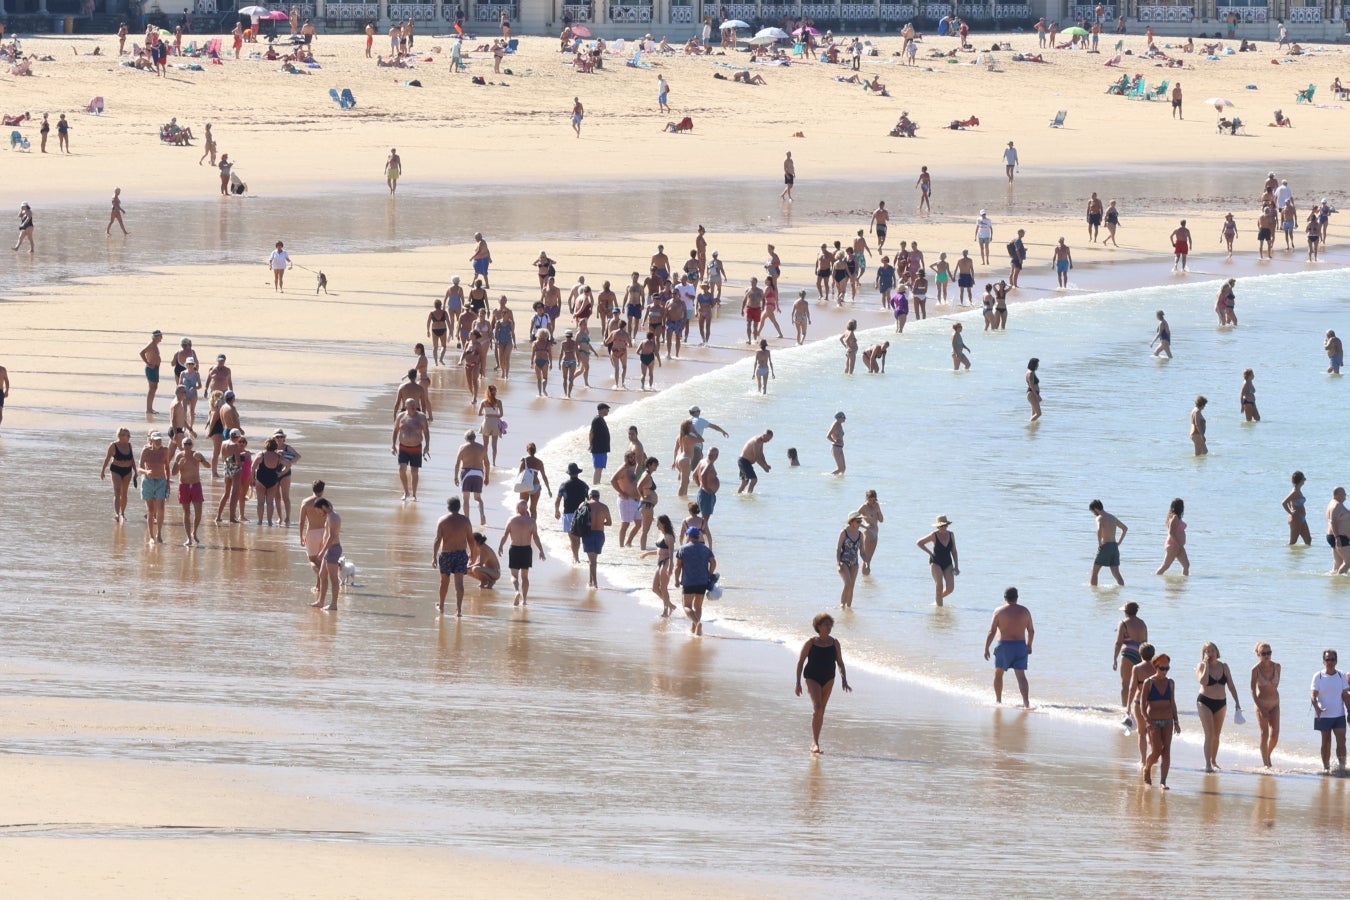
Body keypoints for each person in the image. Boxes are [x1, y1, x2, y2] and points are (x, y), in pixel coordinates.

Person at [795, 612, 852, 755]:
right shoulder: (811, 642)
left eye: (830, 624)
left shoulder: (834, 643)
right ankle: (814, 743)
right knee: (817, 707)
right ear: (818, 626)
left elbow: (840, 662)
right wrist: (798, 683)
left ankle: (816, 742)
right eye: (826, 624)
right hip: (812, 677)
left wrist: (844, 679)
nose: (829, 627)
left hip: (829, 678)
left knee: (822, 710)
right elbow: (801, 662)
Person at [984, 586, 1033, 707]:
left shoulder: (999, 611)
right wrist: (1029, 645)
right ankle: (1026, 703)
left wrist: (986, 648)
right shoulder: (1025, 611)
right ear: (1017, 597)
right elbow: (1031, 631)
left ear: (1005, 597)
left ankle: (999, 701)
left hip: (1004, 646)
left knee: (998, 674)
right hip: (1020, 646)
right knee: (1021, 676)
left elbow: (992, 631)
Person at [1196, 642, 1241, 773]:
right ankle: (1207, 764)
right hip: (1204, 702)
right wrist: (1206, 666)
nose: (1210, 653)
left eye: (1212, 650)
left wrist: (1237, 702)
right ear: (1204, 654)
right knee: (1209, 733)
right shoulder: (1201, 666)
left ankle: (1213, 761)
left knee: (1216, 735)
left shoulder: (1224, 666)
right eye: (1207, 651)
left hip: (1221, 703)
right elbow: (1203, 681)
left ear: (1217, 652)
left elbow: (1231, 685)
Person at [1140, 653, 1180, 788]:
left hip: (1168, 720)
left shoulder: (1171, 683)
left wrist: (1176, 722)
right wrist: (1147, 721)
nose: (1165, 671)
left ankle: (1163, 782)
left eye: (1167, 668)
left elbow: (1172, 703)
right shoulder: (1149, 682)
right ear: (1156, 667)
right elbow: (1142, 704)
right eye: (1162, 668)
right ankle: (1147, 767)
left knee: (1167, 751)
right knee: (1156, 750)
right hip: (1154, 721)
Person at [499, 499, 545, 606]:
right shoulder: (532, 521)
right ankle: (524, 600)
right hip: (526, 550)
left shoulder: (511, 520)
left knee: (514, 576)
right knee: (525, 577)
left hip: (514, 549)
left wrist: (501, 546)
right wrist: (541, 550)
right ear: (526, 509)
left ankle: (516, 591)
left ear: (518, 509)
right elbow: (536, 537)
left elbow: (505, 534)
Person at [433, 497, 474, 616]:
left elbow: (437, 540)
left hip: (446, 554)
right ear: (459, 507)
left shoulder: (442, 520)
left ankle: (441, 606)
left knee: (444, 582)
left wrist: (434, 556)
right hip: (461, 554)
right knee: (459, 583)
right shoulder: (465, 521)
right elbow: (471, 540)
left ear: (448, 507)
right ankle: (459, 610)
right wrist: (473, 555)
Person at [1312, 649, 1350, 773]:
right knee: (1326, 741)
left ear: (1336, 661)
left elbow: (1345, 695)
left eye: (1333, 659)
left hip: (1339, 715)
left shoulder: (1341, 675)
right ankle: (1326, 768)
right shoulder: (1318, 676)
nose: (1330, 662)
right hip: (1323, 715)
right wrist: (1317, 707)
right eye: (1328, 659)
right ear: (1324, 661)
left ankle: (1342, 767)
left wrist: (1349, 710)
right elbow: (1313, 695)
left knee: (1342, 741)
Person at [674, 525, 716, 635]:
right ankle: (694, 628)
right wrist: (710, 574)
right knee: (698, 606)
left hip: (689, 581)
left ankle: (697, 623)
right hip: (702, 581)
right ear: (698, 536)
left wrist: (676, 580)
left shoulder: (683, 549)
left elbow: (678, 566)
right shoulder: (705, 549)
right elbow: (713, 562)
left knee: (686, 606)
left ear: (688, 536)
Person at [392, 398, 430, 502]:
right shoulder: (401, 416)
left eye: (414, 404)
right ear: (406, 406)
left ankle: (414, 494)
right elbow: (395, 430)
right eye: (411, 405)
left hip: (416, 447)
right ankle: (406, 491)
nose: (413, 406)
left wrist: (427, 446)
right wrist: (393, 445)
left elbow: (426, 431)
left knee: (414, 471)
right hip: (403, 447)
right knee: (402, 469)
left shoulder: (421, 417)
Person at [1250, 641, 1281, 768]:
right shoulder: (1255, 670)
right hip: (1261, 704)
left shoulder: (1277, 666)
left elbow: (1276, 685)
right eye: (1263, 653)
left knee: (1275, 735)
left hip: (1275, 704)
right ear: (1258, 654)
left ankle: (1267, 754)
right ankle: (1266, 764)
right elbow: (1252, 689)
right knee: (1264, 734)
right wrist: (1260, 707)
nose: (1267, 655)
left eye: (1269, 652)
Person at [917, 515, 959, 606]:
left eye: (945, 525)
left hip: (948, 563)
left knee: (950, 588)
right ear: (938, 526)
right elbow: (919, 543)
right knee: (939, 586)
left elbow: (954, 551)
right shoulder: (934, 535)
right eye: (941, 526)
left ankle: (938, 598)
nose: (944, 527)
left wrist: (956, 566)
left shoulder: (951, 534)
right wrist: (929, 553)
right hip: (936, 562)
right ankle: (939, 613)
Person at [137, 431, 170, 545]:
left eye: (160, 440)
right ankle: (151, 536)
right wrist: (146, 471)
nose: (158, 442)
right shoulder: (146, 451)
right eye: (156, 440)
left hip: (161, 480)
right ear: (151, 440)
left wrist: (168, 482)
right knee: (151, 510)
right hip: (148, 481)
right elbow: (139, 468)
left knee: (161, 508)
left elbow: (167, 466)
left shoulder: (165, 450)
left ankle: (159, 534)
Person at [310, 499, 343, 611]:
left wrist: (323, 550)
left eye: (319, 511)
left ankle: (334, 604)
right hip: (329, 549)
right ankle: (321, 601)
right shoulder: (329, 514)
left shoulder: (333, 517)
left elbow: (332, 536)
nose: (319, 514)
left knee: (333, 578)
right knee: (322, 574)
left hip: (333, 549)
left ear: (323, 507)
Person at [1114, 601, 1148, 708]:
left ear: (1126, 612)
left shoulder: (1123, 623)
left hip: (1128, 654)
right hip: (1141, 654)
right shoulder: (1142, 623)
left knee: (1125, 684)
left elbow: (1119, 642)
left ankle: (1125, 708)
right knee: (1140, 684)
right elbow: (1146, 642)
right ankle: (1141, 707)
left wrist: (1114, 658)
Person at [453, 430, 490, 525]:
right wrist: (487, 477)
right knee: (478, 498)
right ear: (474, 437)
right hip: (479, 473)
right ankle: (482, 514)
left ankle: (467, 519)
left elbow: (457, 463)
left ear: (466, 438)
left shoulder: (462, 447)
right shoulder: (481, 448)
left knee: (466, 499)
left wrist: (455, 477)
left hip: (467, 472)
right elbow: (487, 463)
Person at [99, 427, 137, 521]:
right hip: (116, 470)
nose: (128, 437)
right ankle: (116, 513)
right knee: (117, 490)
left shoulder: (129, 445)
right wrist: (103, 470)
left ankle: (122, 513)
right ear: (120, 435)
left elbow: (132, 459)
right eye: (126, 435)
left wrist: (135, 471)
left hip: (127, 471)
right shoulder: (113, 445)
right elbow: (107, 458)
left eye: (129, 435)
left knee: (124, 493)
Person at [1088, 499, 1128, 586]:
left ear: (1095, 509)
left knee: (1094, 572)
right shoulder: (1112, 517)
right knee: (1116, 573)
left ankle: (1093, 593)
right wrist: (1119, 542)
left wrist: (1099, 543)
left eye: (1092, 511)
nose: (1093, 513)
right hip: (1114, 547)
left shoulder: (1099, 518)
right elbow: (1125, 528)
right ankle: (1121, 590)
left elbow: (1099, 529)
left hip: (1105, 546)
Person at [580, 489, 613, 588]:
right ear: (598, 496)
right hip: (600, 534)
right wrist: (600, 522)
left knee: (592, 560)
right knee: (593, 560)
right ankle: (590, 581)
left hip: (588, 533)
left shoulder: (584, 505)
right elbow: (609, 523)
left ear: (589, 496)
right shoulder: (604, 507)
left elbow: (578, 519)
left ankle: (595, 583)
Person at [1155, 498, 1189, 576]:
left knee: (1186, 565)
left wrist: (1180, 545)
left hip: (1178, 546)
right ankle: (1155, 578)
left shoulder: (1177, 518)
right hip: (1174, 545)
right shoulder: (1175, 518)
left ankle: (1183, 584)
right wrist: (1179, 544)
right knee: (1166, 566)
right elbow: (1171, 532)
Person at [835, 515, 864, 607]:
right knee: (847, 583)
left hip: (854, 563)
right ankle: (842, 605)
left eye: (860, 521)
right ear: (851, 521)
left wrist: (866, 562)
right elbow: (838, 549)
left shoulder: (860, 534)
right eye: (858, 521)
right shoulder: (844, 532)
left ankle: (849, 608)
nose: (860, 524)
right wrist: (838, 562)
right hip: (843, 561)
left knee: (852, 586)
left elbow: (862, 551)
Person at [737, 430, 772, 494]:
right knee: (754, 480)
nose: (768, 441)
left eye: (770, 439)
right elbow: (756, 457)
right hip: (744, 461)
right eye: (768, 439)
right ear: (764, 435)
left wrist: (766, 464)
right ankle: (749, 496)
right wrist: (764, 467)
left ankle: (739, 496)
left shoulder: (761, 441)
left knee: (744, 482)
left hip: (745, 462)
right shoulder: (756, 441)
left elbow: (761, 454)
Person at [1283, 471, 1311, 546]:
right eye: (1303, 479)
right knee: (1293, 542)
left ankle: (1303, 557)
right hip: (1296, 519)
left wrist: (1291, 508)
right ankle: (1290, 557)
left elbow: (1290, 502)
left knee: (1308, 540)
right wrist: (1291, 512)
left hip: (1302, 518)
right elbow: (1284, 502)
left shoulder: (1298, 490)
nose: (1305, 480)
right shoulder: (1295, 491)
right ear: (1300, 480)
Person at [1326, 486, 1350, 575]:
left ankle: (1337, 586)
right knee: (1349, 561)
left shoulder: (1334, 503)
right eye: (1344, 493)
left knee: (1338, 564)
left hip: (1337, 537)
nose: (1345, 495)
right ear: (1338, 494)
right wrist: (1337, 538)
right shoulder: (1336, 505)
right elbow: (1332, 522)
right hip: (1339, 537)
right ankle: (1339, 580)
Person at [139, 329, 163, 416]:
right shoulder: (151, 344)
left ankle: (150, 408)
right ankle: (148, 409)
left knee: (154, 388)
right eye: (160, 336)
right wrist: (148, 363)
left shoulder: (155, 345)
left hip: (155, 368)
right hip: (151, 369)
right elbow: (141, 353)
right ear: (156, 337)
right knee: (152, 389)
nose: (162, 338)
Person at [589, 402, 611, 484]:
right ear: (601, 410)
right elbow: (591, 433)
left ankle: (598, 483)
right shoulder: (597, 420)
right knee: (598, 468)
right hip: (598, 448)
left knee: (600, 468)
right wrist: (591, 444)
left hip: (602, 449)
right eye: (606, 409)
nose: (608, 411)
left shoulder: (601, 419)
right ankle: (595, 484)